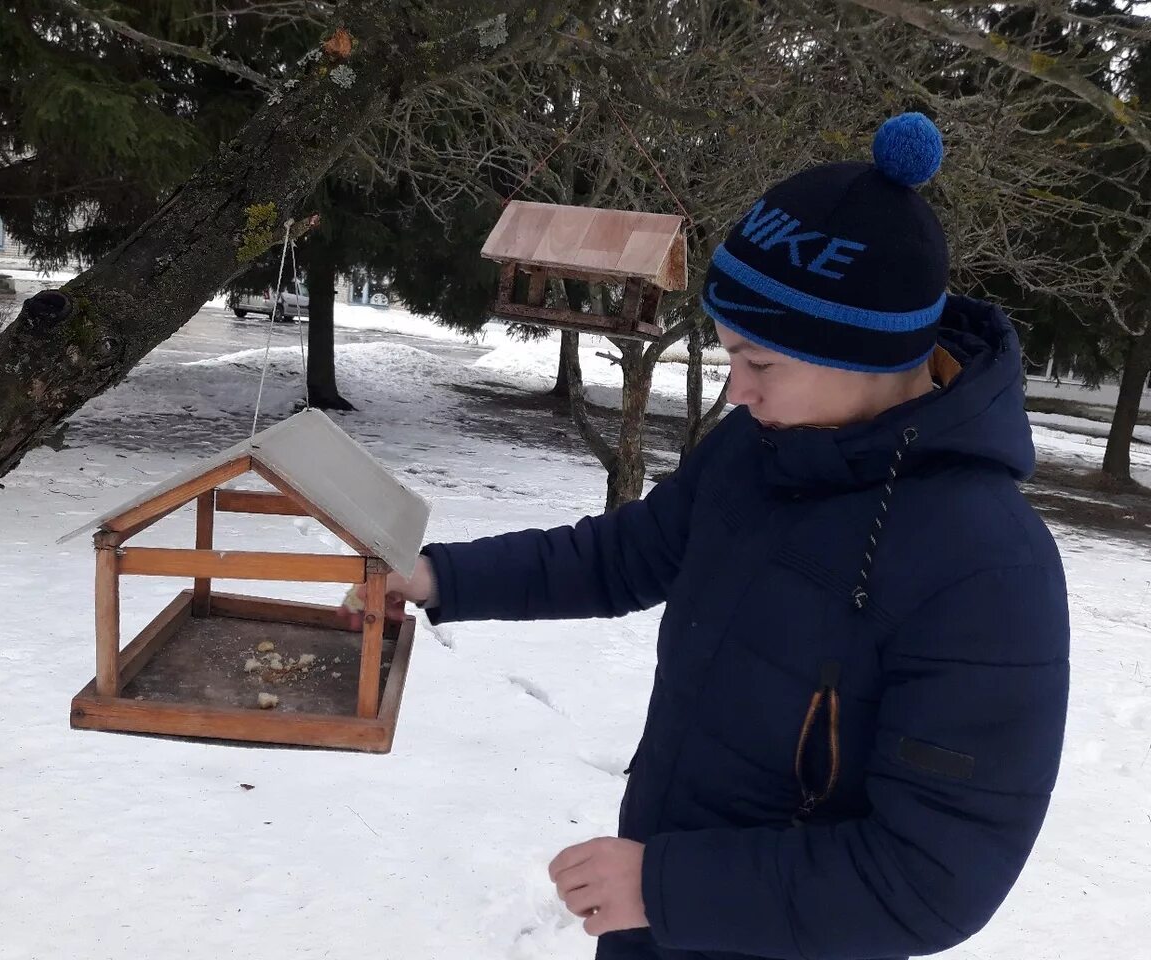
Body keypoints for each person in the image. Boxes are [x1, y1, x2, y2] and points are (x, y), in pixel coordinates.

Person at [343, 113, 1070, 960]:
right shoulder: (758, 449)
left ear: (868, 356)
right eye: (731, 356)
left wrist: (661, 886)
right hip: (653, 923)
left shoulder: (987, 567)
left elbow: (930, 881)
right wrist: (439, 578)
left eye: (760, 364)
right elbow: (622, 556)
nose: (736, 393)